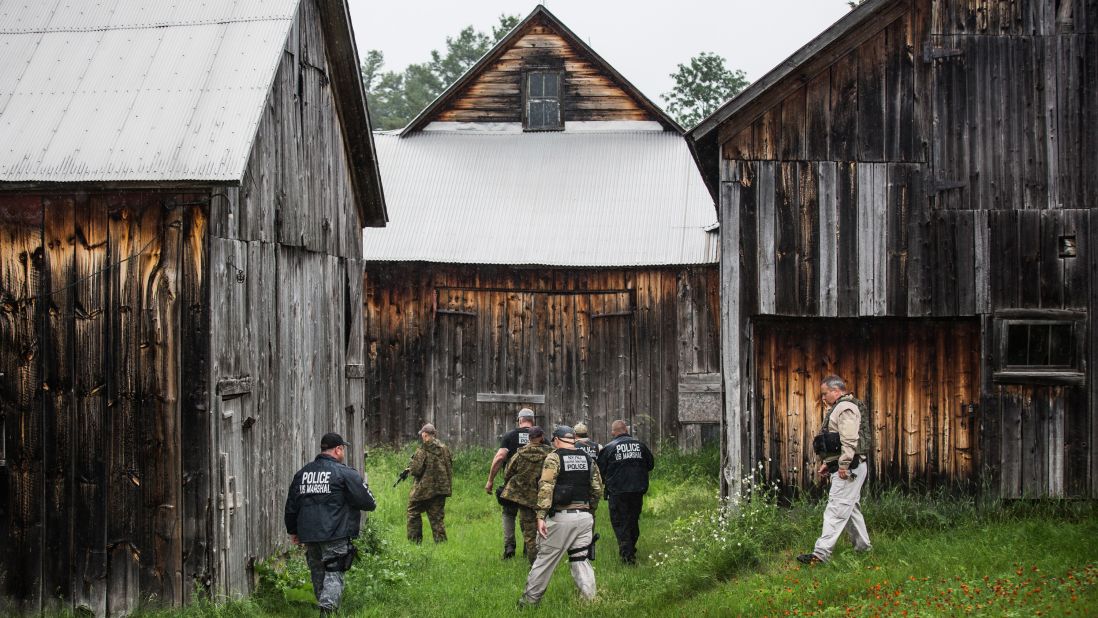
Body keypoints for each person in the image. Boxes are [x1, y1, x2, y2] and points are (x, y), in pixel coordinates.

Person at [285, 432, 377, 614]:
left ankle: (325, 608)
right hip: (335, 533)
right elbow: (368, 502)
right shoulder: (345, 473)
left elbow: (292, 506)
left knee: (318, 573)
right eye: (342, 449)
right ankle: (327, 612)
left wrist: (293, 530)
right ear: (338, 449)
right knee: (334, 572)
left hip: (310, 535)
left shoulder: (302, 474)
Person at [519, 426, 603, 607]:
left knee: (544, 561)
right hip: (584, 518)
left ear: (556, 440)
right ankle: (590, 602)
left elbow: (546, 487)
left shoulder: (554, 457)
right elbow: (597, 488)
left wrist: (540, 516)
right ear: (573, 439)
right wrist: (590, 510)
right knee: (580, 559)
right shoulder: (588, 458)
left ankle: (528, 603)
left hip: (561, 518)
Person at [797, 375, 873, 565]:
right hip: (847, 465)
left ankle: (821, 554)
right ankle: (863, 548)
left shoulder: (845, 407)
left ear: (836, 390)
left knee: (836, 509)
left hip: (850, 467)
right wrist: (829, 463)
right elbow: (836, 441)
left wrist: (843, 465)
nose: (823, 398)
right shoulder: (839, 407)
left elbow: (849, 440)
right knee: (850, 509)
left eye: (825, 393)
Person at [596, 420, 654, 564]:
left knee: (620, 522)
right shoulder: (641, 446)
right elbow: (650, 465)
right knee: (633, 520)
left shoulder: (609, 448)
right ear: (626, 430)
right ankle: (630, 549)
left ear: (613, 432)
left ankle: (627, 557)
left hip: (617, 492)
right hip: (637, 490)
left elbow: (600, 470)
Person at [486, 407, 535, 559]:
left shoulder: (510, 436)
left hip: (511, 485)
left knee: (508, 513)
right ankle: (529, 547)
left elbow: (500, 457)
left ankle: (509, 547)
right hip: (533, 486)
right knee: (528, 517)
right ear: (533, 421)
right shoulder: (539, 437)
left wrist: (490, 480)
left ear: (519, 420)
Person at [500, 426, 552, 563]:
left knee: (529, 533)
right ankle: (545, 561)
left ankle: (533, 564)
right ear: (541, 437)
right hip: (545, 497)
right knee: (545, 529)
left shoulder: (519, 454)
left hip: (524, 498)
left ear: (529, 438)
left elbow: (507, 473)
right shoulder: (551, 454)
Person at [405, 423, 453, 543]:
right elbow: (449, 466)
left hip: (424, 490)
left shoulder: (423, 450)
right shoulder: (444, 448)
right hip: (442, 488)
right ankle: (441, 543)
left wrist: (410, 467)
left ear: (425, 435)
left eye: (422, 435)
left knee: (413, 512)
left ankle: (414, 541)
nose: (422, 437)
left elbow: (416, 471)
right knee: (437, 518)